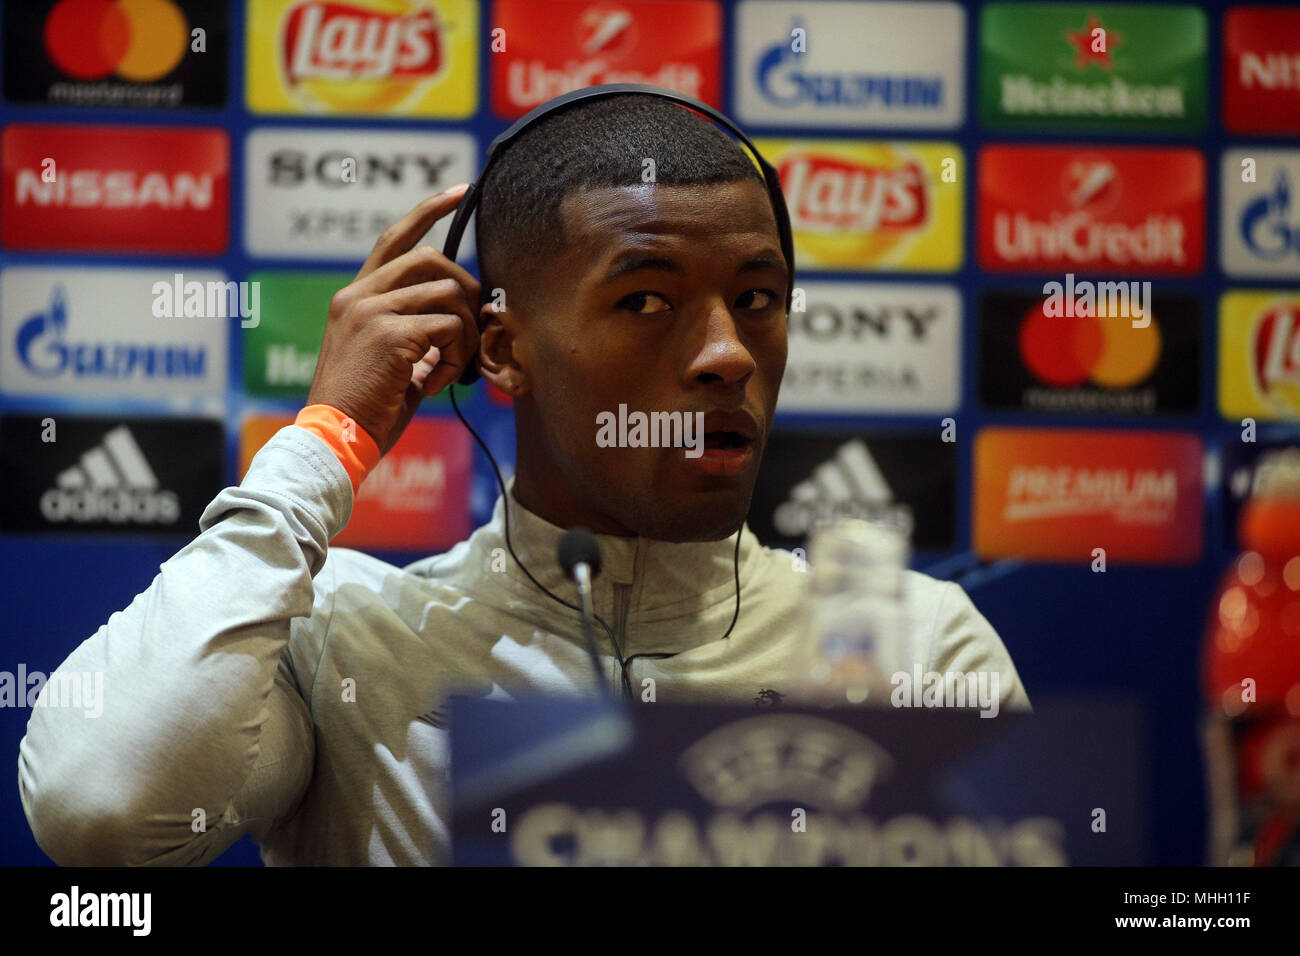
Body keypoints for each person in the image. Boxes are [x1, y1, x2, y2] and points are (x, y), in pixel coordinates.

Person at [18, 95, 1030, 866]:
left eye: (757, 297)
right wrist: (322, 441)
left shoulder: (909, 635)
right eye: (647, 300)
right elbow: (101, 807)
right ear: (500, 350)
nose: (727, 352)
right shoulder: (343, 632)